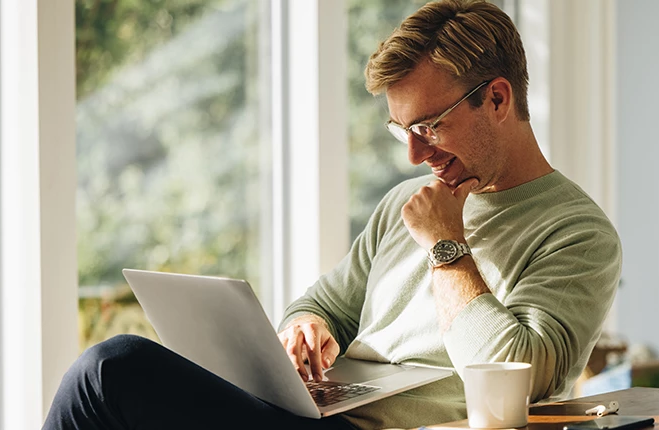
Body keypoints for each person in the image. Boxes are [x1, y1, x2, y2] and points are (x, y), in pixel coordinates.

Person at [43, 0, 621, 428]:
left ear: (497, 99)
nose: (417, 155)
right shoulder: (404, 204)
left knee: (111, 370)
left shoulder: (578, 234)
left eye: (429, 126)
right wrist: (304, 328)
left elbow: (513, 376)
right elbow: (323, 304)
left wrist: (446, 246)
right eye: (403, 132)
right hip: (318, 416)